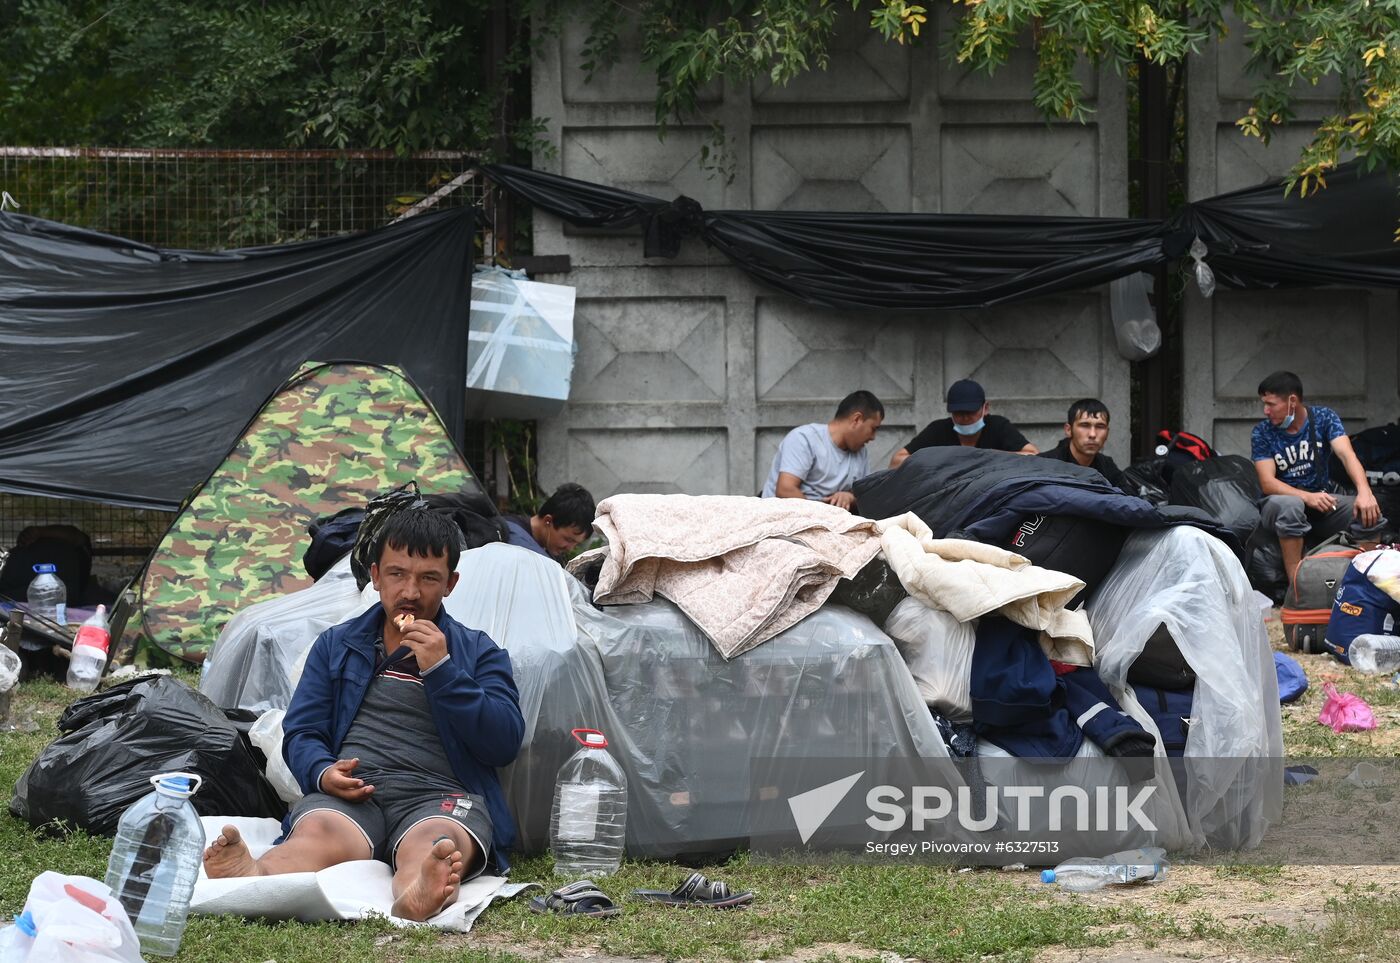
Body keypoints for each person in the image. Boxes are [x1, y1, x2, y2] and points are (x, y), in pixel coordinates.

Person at [203, 510, 524, 921]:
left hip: (438, 796)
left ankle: (418, 889)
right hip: (354, 793)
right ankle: (255, 872)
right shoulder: (337, 645)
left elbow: (504, 743)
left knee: (435, 842)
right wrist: (322, 773)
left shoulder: (478, 652)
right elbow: (302, 731)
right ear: (375, 575)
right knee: (319, 833)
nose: (409, 592)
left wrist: (444, 671)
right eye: (396, 574)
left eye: (428, 578)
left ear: (450, 584)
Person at [1252, 370, 1383, 579]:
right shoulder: (1262, 432)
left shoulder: (1323, 418)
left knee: (1368, 512)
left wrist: (1365, 492)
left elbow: (1347, 455)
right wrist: (1306, 497)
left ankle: (1368, 582)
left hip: (1321, 500)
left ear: (1292, 400)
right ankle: (1297, 587)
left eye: (1271, 404)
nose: (1266, 411)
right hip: (1279, 505)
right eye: (1264, 404)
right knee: (1290, 505)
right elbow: (1267, 483)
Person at [761, 390, 884, 511]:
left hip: (832, 523)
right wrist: (821, 516)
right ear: (856, 419)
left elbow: (866, 497)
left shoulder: (861, 452)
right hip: (785, 517)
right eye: (873, 428)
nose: (873, 437)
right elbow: (785, 490)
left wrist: (850, 497)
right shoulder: (804, 439)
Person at [889, 379, 1037, 468]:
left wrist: (989, 457)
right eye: (958, 413)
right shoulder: (938, 429)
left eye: (971, 412)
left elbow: (1033, 455)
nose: (965, 418)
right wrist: (941, 460)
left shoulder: (998, 426)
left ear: (985, 408)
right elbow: (897, 461)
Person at [1039, 398, 1123, 487]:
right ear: (1068, 430)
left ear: (1107, 433)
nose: (1092, 434)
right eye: (1084, 425)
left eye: (1100, 426)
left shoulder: (1107, 466)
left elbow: (1127, 497)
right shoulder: (1045, 464)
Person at [503, 482, 595, 561]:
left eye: (576, 544)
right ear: (548, 521)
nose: (570, 549)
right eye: (568, 539)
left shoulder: (549, 550)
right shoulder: (508, 537)